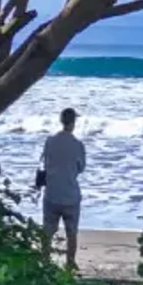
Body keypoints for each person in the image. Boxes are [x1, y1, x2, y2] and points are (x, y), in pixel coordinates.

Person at [39, 107, 86, 269]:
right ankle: (70, 262)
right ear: (73, 123)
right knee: (71, 232)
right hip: (70, 194)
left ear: (61, 121)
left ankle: (44, 261)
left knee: (47, 231)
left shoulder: (50, 141)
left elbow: (45, 163)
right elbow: (81, 168)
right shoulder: (78, 144)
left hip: (52, 192)